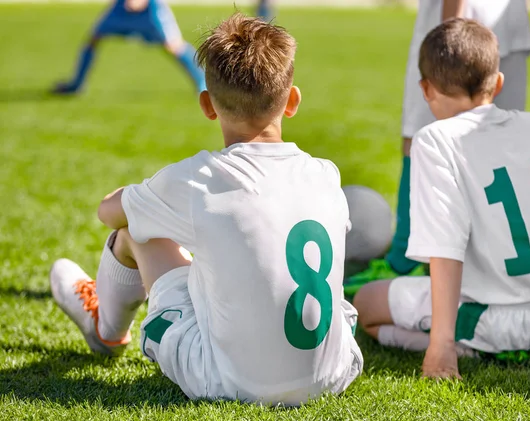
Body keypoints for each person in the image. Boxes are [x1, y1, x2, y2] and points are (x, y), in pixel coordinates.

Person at [50, 13, 362, 405]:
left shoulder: (199, 179)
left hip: (227, 382)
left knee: (135, 230)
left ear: (207, 105)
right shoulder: (325, 174)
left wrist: (136, 198)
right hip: (333, 374)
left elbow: (108, 213)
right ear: (293, 100)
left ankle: (106, 331)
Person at [352, 18, 530, 379]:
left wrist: (440, 345)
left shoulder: (434, 140)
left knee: (367, 303)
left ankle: (472, 347)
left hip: (506, 318)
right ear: (498, 84)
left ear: (425, 89)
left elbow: (445, 250)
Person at [344, 0, 530, 294]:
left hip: (458, 27)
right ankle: (500, 263)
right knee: (501, 144)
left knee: (419, 139)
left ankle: (405, 261)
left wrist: (449, 29)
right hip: (507, 21)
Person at [52, 0, 205, 94]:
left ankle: (202, 84)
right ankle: (76, 85)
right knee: (94, 39)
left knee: (173, 46)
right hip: (121, 8)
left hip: (150, 10)